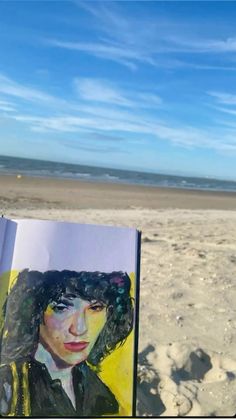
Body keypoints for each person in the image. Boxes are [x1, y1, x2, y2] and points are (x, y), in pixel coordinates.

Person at [0, 269, 134, 417]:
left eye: (96, 308)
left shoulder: (98, 390)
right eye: (61, 308)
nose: (79, 328)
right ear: (34, 312)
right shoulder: (8, 388)